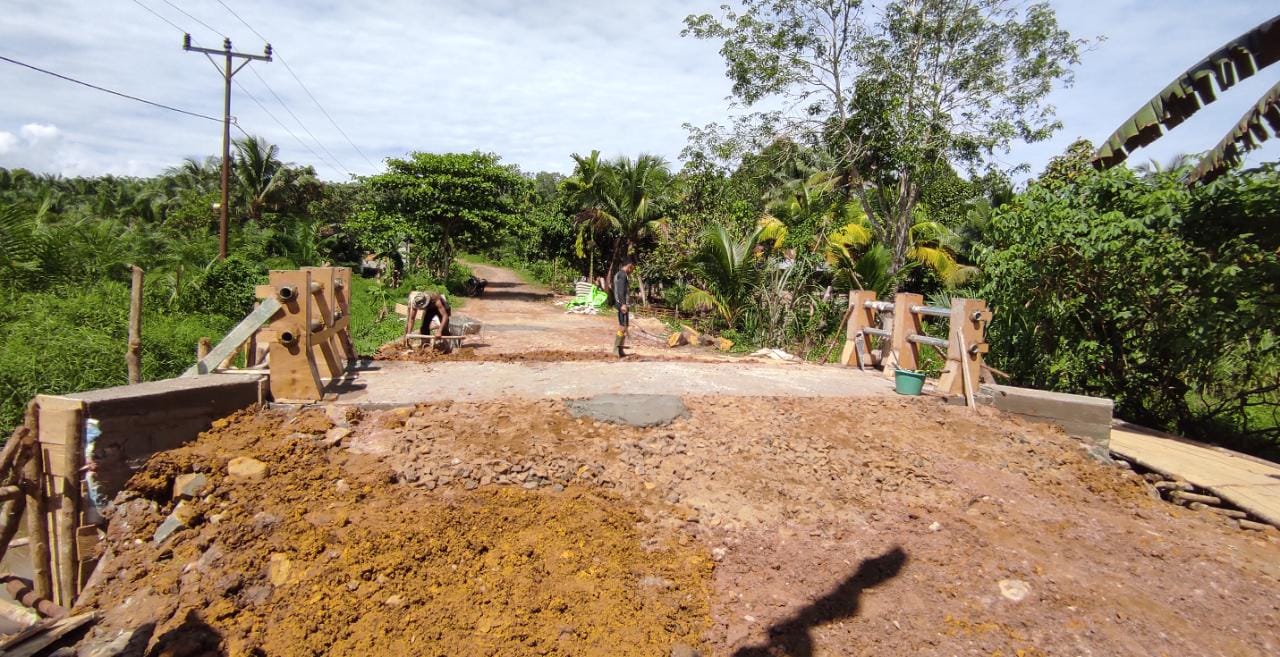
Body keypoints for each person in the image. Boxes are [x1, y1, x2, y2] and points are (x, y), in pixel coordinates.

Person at [612, 260, 635, 358]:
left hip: (620, 303)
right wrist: (623, 304)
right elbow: (621, 291)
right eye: (632, 269)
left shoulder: (619, 274)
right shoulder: (622, 275)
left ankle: (620, 350)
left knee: (624, 326)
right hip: (621, 304)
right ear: (629, 266)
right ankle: (616, 350)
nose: (632, 271)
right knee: (622, 326)